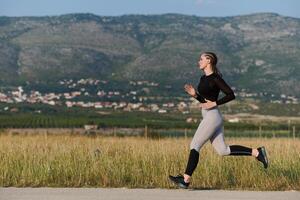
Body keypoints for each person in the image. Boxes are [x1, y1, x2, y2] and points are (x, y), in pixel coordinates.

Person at [169, 52, 268, 189]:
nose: (199, 61)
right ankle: (257, 152)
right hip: (210, 116)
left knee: (195, 145)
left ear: (209, 60)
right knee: (223, 150)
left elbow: (230, 95)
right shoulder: (203, 78)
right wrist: (195, 95)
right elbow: (205, 102)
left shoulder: (215, 78)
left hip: (212, 116)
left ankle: (185, 180)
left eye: (201, 59)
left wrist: (215, 103)